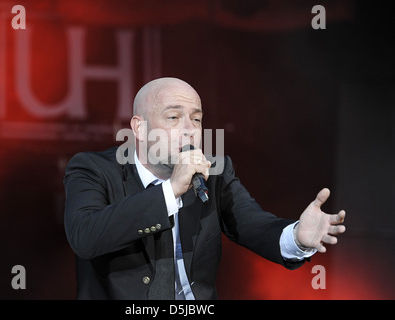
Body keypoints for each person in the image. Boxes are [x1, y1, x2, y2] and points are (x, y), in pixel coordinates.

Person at [63, 77, 346, 300]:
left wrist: (297, 237)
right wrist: (171, 190)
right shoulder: (93, 169)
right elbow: (86, 236)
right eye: (173, 117)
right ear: (139, 128)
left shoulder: (213, 172)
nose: (190, 129)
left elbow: (253, 225)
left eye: (196, 119)